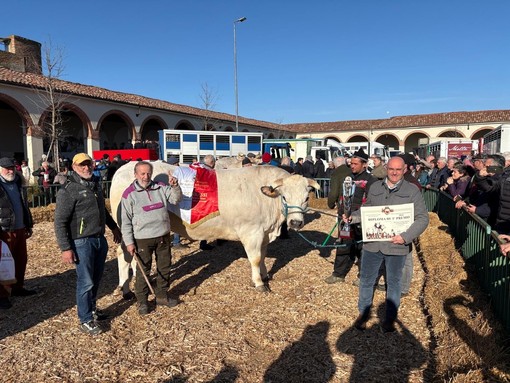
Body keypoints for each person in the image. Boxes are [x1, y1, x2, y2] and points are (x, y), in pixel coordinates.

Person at [348, 156, 429, 332]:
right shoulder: (375, 187)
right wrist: (353, 217)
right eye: (391, 169)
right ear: (386, 168)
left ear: (405, 169)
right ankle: (363, 314)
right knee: (366, 280)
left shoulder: (412, 191)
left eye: (398, 170)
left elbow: (423, 218)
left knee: (394, 282)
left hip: (397, 246)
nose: (394, 172)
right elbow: (367, 210)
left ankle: (390, 319)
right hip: (373, 244)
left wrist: (406, 236)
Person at [54, 153, 122, 335]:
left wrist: (114, 227)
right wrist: (66, 248)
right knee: (86, 281)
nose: (86, 168)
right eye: (82, 165)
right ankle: (85, 319)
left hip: (99, 239)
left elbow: (103, 211)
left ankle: (91, 309)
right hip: (81, 241)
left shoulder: (95, 185)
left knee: (96, 278)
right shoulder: (68, 191)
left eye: (89, 164)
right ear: (74, 167)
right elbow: (60, 222)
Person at [121, 161, 182, 315]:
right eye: (142, 173)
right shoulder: (129, 194)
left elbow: (175, 199)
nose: (145, 176)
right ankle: (142, 301)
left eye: (148, 173)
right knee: (143, 271)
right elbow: (126, 221)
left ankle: (161, 295)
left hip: (163, 235)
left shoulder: (160, 187)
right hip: (142, 238)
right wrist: (129, 242)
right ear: (135, 174)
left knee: (164, 267)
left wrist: (175, 186)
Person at [325, 150, 376, 284]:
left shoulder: (371, 180)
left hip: (360, 218)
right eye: (351, 163)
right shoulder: (347, 177)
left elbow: (371, 201)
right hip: (344, 218)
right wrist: (342, 212)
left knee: (362, 248)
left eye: (355, 163)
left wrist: (358, 216)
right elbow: (343, 197)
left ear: (364, 164)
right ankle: (338, 274)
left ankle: (363, 276)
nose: (352, 166)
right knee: (343, 245)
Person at [0, 157, 35, 310]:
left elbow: (24, 205)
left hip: (20, 228)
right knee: (4, 263)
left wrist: (28, 224)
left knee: (21, 259)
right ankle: (2, 295)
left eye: (12, 168)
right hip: (4, 230)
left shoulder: (18, 183)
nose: (10, 171)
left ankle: (17, 287)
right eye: (7, 168)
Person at [200, 154, 216, 250]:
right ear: (212, 163)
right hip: (207, 200)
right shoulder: (209, 172)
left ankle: (203, 241)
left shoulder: (200, 169)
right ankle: (203, 242)